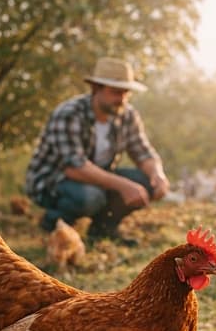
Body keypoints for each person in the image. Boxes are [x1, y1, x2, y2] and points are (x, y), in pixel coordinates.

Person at [25, 57, 170, 247]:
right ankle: (54, 221)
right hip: (53, 181)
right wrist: (124, 186)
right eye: (115, 92)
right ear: (96, 89)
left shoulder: (127, 115)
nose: (121, 99)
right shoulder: (69, 113)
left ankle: (103, 228)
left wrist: (157, 175)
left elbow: (143, 153)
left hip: (96, 179)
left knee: (146, 182)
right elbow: (74, 167)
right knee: (92, 197)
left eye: (125, 92)